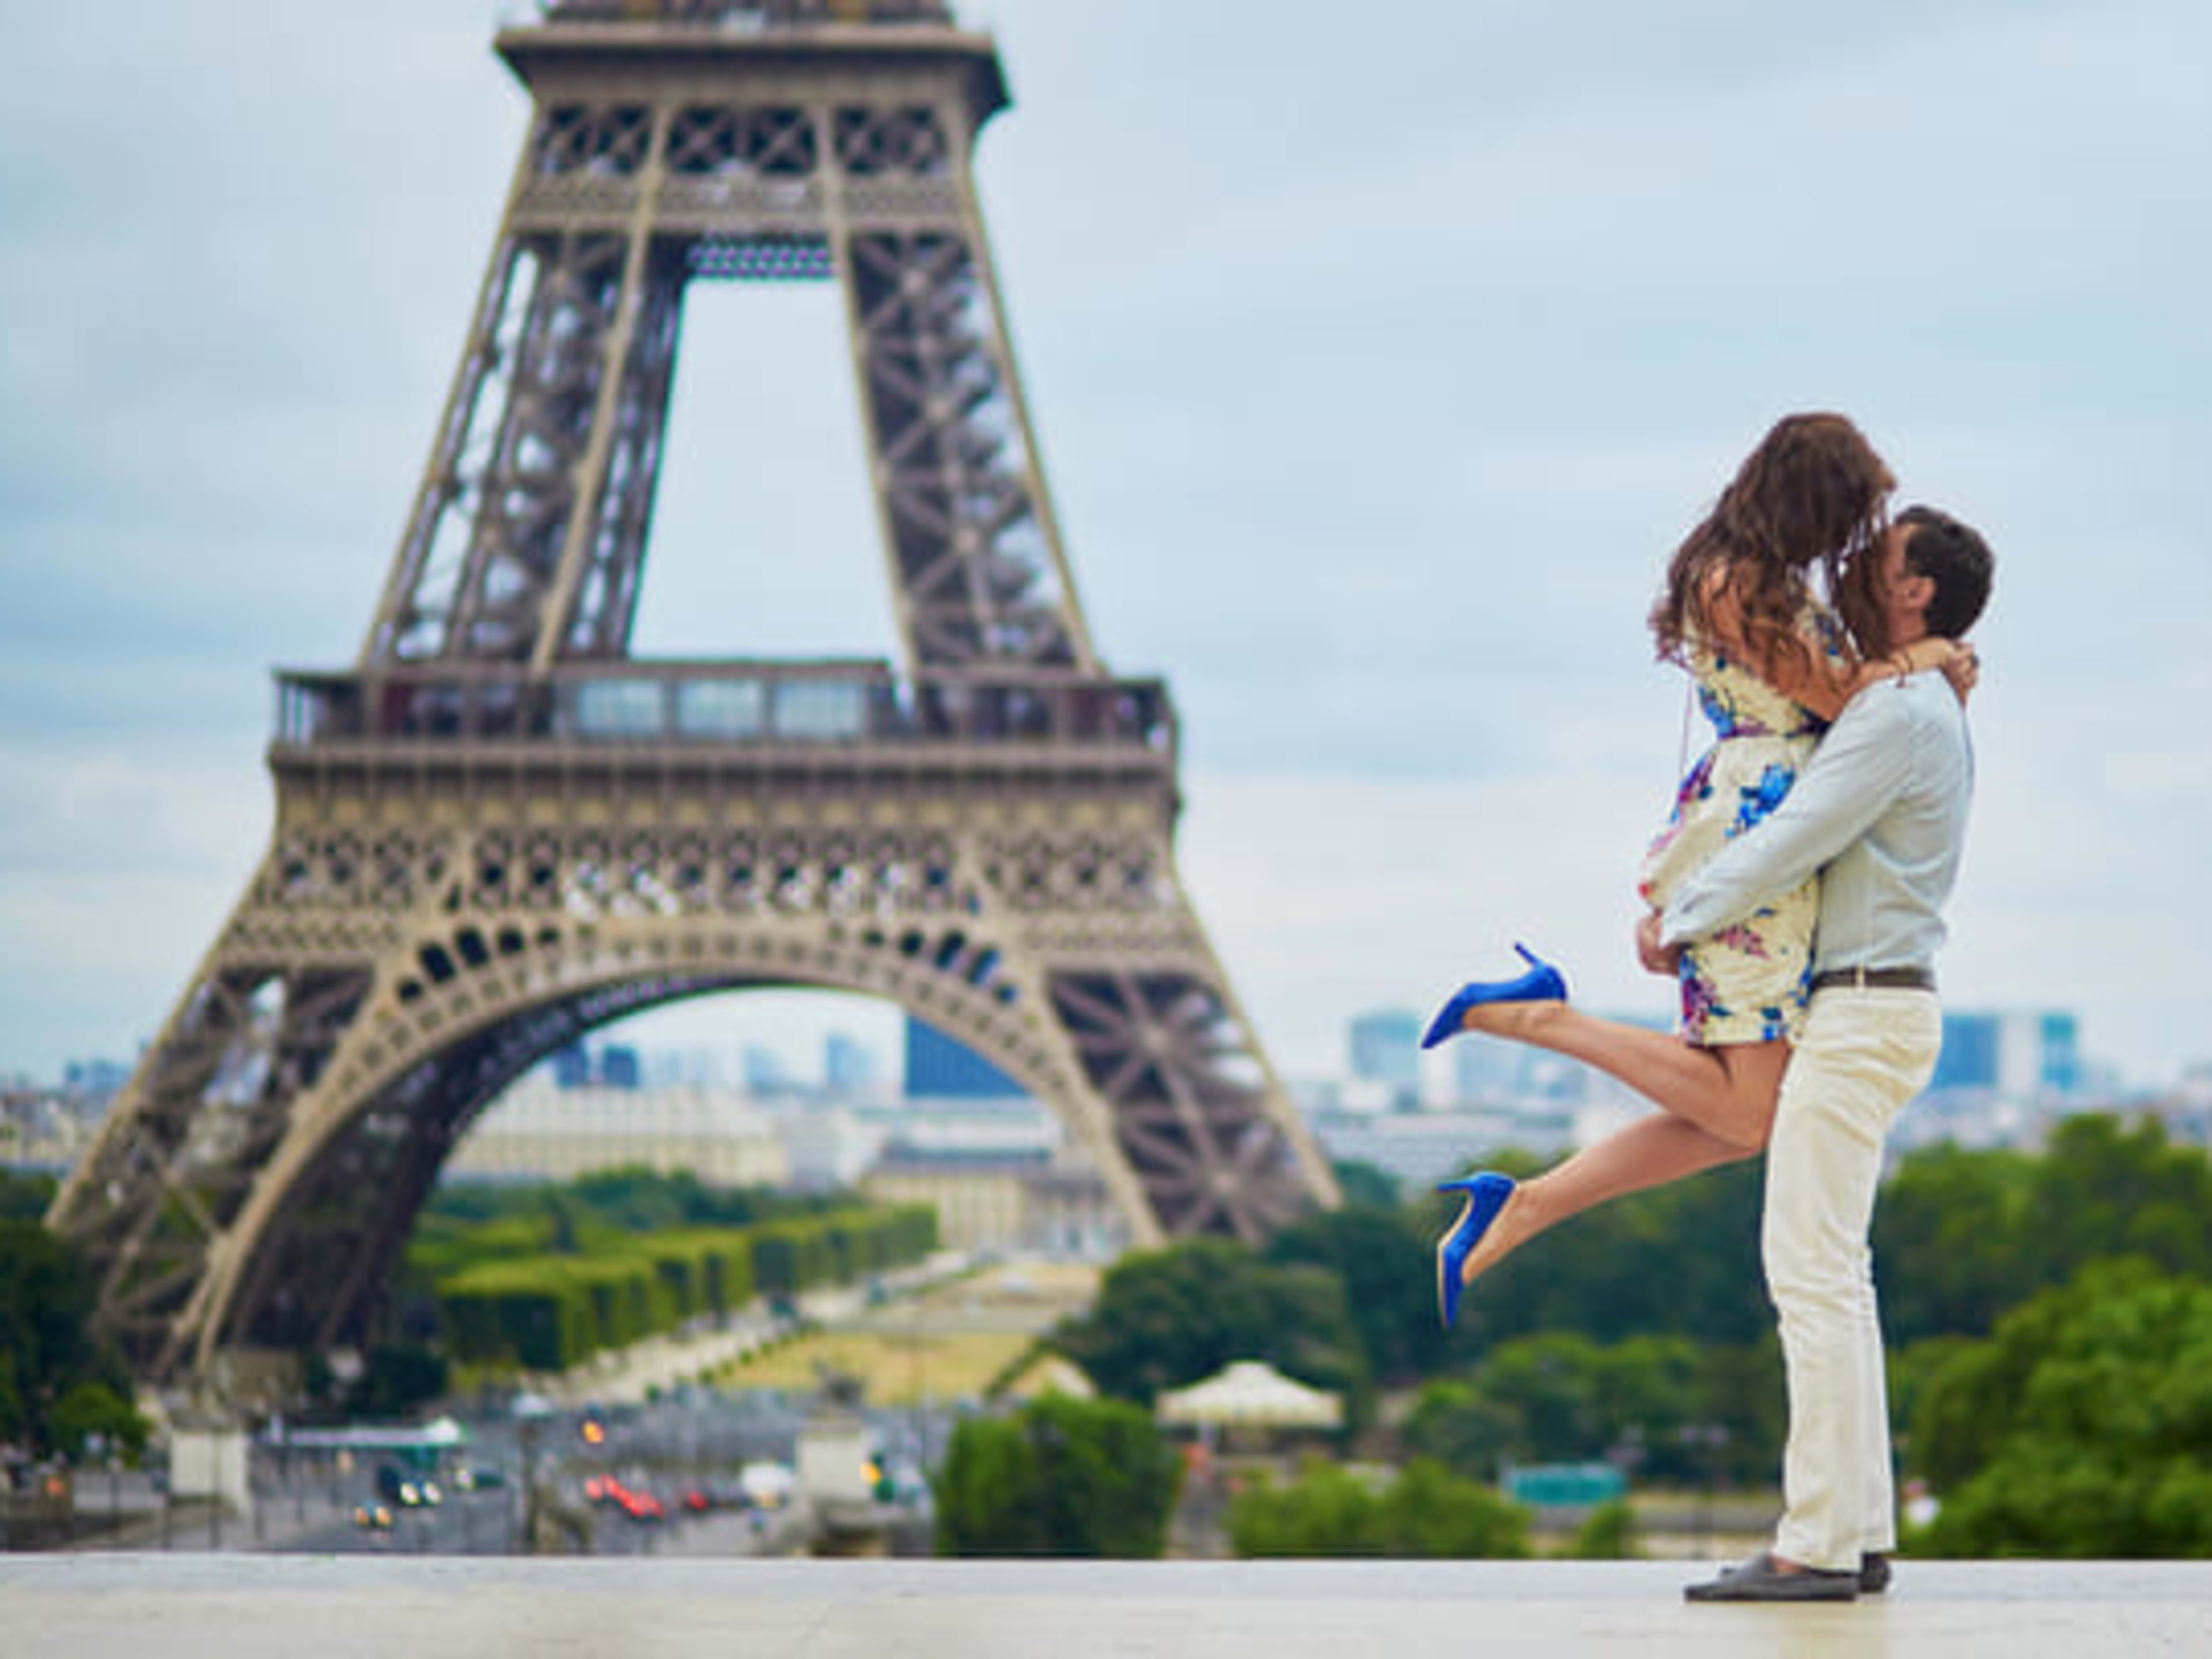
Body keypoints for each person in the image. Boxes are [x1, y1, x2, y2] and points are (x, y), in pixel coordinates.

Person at [1423, 418, 1971, 1329]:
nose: (1856, 540)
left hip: (1769, 830)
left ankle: (1521, 1203)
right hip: (1759, 837)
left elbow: (1847, 699)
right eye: (1853, 512)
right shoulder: (1732, 581)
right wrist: (1927, 656)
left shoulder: (1753, 577)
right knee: (1748, 1113)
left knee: (1743, 1118)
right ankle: (1536, 1021)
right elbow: (1843, 698)